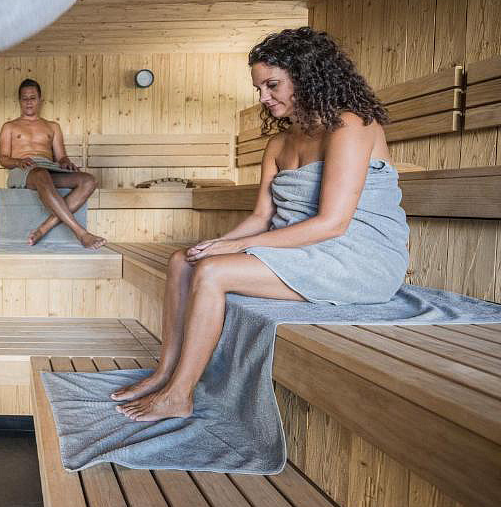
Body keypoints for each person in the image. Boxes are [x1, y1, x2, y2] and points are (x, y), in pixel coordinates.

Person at [111, 27, 409, 421]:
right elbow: (261, 218)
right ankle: (164, 372)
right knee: (183, 260)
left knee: (213, 272)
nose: (264, 98)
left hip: (356, 258)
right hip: (303, 251)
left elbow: (332, 224)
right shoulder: (279, 143)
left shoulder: (351, 126)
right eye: (260, 89)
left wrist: (232, 249)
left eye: (273, 85)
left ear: (306, 76)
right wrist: (215, 243)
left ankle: (179, 395)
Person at [0, 78, 106, 249]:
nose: (28, 102)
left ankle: (43, 228)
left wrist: (65, 162)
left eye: (32, 98)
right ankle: (81, 233)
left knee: (89, 181)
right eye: (24, 98)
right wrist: (18, 161)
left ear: (40, 100)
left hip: (48, 169)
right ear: (19, 101)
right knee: (40, 173)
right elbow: (3, 159)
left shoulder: (52, 126)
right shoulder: (9, 127)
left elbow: (61, 157)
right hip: (23, 170)